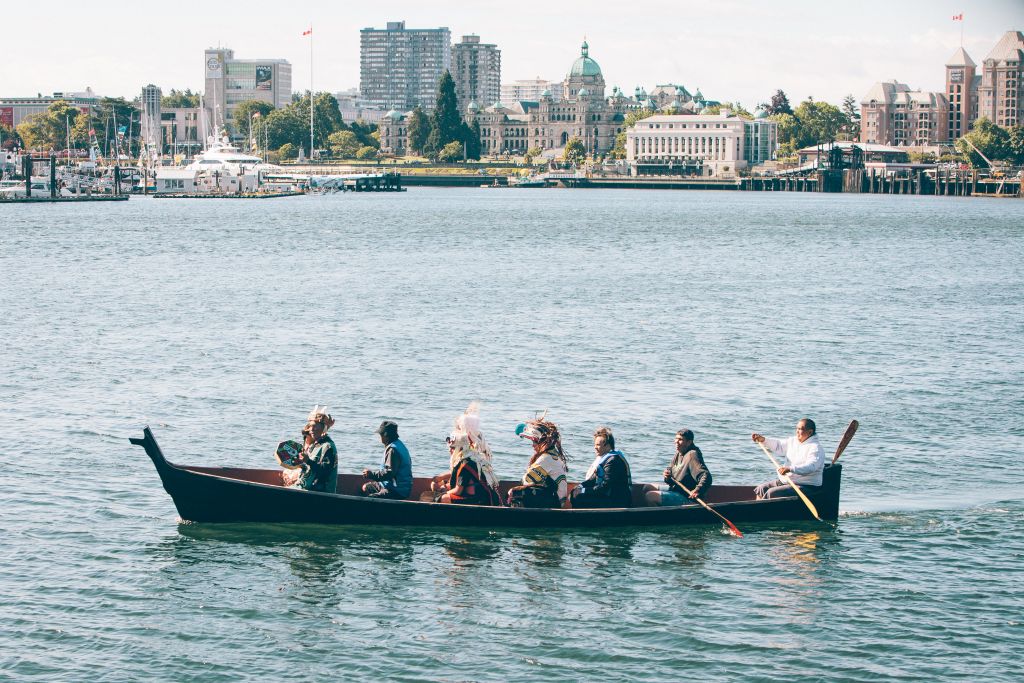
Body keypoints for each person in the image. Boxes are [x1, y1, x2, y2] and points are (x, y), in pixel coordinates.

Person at [432, 404, 501, 506]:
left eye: (452, 448)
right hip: (477, 495)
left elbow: (458, 491)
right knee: (437, 487)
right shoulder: (472, 457)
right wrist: (441, 479)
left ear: (459, 449)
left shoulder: (466, 463)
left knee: (444, 498)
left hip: (479, 500)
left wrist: (442, 493)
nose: (450, 451)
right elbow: (459, 476)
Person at [751, 418, 825, 499]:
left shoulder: (815, 448)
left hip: (806, 485)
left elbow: (811, 467)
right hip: (787, 481)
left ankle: (763, 510)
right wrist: (763, 440)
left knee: (771, 493)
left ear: (810, 432)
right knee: (761, 489)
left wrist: (790, 469)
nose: (797, 431)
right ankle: (758, 509)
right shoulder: (793, 441)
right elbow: (778, 445)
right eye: (797, 428)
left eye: (800, 429)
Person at [506, 416, 569, 508]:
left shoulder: (546, 458)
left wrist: (515, 489)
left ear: (542, 443)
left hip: (553, 503)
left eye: (534, 442)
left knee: (515, 493)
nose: (533, 445)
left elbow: (527, 480)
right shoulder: (553, 455)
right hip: (556, 501)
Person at [643, 429, 712, 506]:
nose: (676, 442)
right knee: (647, 487)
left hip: (687, 497)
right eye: (676, 438)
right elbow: (670, 473)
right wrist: (667, 476)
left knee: (651, 496)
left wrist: (697, 490)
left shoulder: (692, 454)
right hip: (676, 489)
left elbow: (706, 476)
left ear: (689, 442)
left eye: (680, 439)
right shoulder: (679, 452)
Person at [570, 426, 633, 508]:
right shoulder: (606, 459)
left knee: (579, 497)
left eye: (598, 445)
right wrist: (580, 486)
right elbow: (593, 479)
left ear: (608, 446)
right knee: (574, 492)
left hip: (617, 501)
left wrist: (582, 491)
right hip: (608, 496)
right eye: (594, 444)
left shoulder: (613, 461)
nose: (595, 447)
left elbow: (604, 487)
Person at [283, 405, 338, 493]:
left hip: (320, 493)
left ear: (323, 428)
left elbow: (324, 472)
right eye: (310, 426)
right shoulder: (315, 445)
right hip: (304, 488)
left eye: (315, 426)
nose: (311, 429)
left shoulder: (328, 447)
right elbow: (309, 467)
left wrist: (308, 461)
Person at [362, 420, 413, 499]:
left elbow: (389, 474)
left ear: (386, 435)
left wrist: (371, 474)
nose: (380, 437)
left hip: (397, 491)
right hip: (390, 485)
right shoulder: (398, 444)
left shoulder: (393, 450)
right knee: (366, 487)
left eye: (380, 435)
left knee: (370, 499)